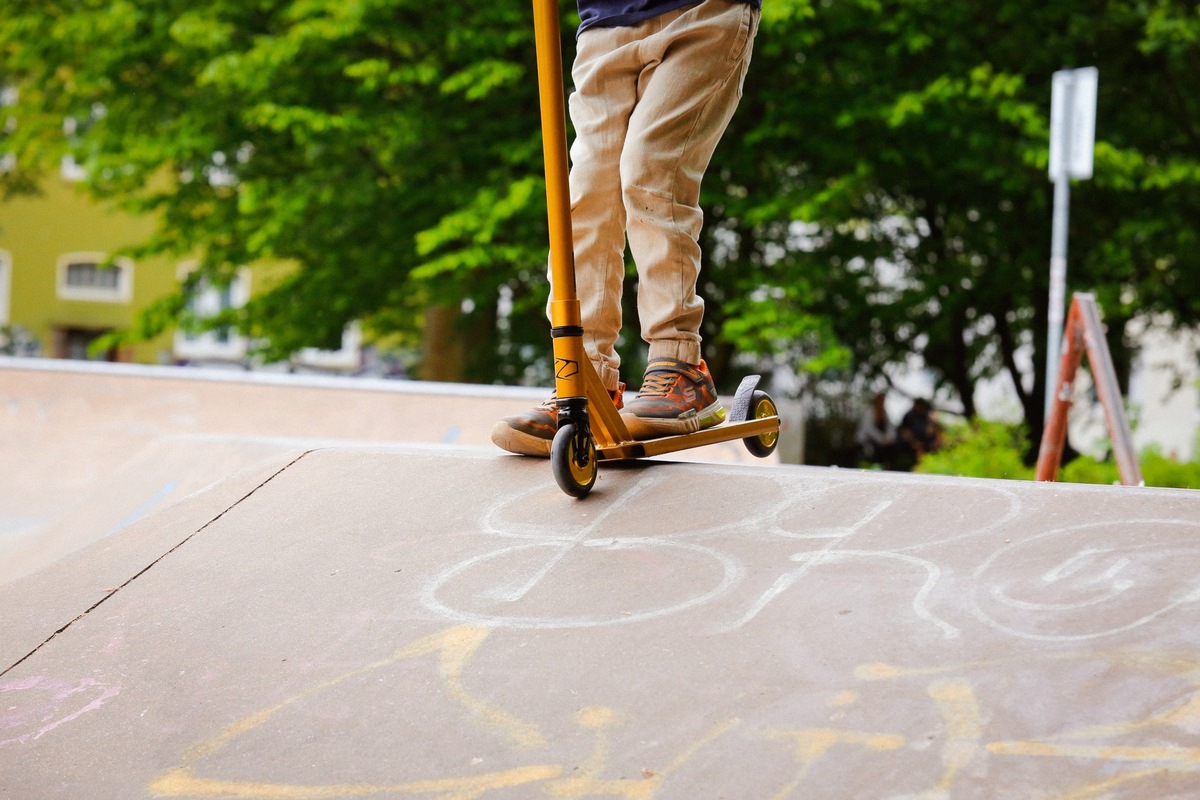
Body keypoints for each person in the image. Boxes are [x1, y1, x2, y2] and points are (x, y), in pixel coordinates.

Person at [492, 0, 762, 457]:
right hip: (605, 24)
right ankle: (582, 382)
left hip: (700, 12)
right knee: (584, 198)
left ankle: (680, 367)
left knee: (650, 170)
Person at [856, 392, 899, 469]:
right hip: (867, 441)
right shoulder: (869, 413)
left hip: (883, 443)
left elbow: (891, 428)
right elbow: (868, 429)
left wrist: (889, 438)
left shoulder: (884, 413)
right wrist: (881, 439)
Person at [896, 398, 943, 469]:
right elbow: (905, 432)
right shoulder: (908, 416)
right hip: (911, 444)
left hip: (926, 443)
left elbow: (937, 431)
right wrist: (915, 443)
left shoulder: (927, 416)